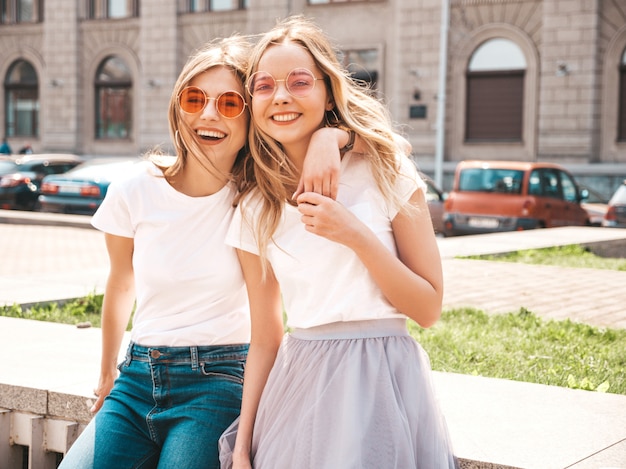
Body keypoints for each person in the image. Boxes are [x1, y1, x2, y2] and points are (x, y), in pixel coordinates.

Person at [59, 34, 347, 469]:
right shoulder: (134, 191)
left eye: (230, 103)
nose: (209, 114)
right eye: (195, 99)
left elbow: (269, 326)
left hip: (216, 382)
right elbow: (121, 282)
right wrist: (106, 374)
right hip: (137, 376)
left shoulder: (256, 201)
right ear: (178, 107)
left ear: (251, 119)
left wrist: (332, 137)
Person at [221, 16, 458, 469]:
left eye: (299, 82)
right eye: (264, 86)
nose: (282, 96)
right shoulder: (255, 207)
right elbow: (266, 338)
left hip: (384, 378)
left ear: (328, 91)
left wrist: (354, 234)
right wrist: (243, 445)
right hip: (300, 386)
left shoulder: (384, 172)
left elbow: (428, 309)